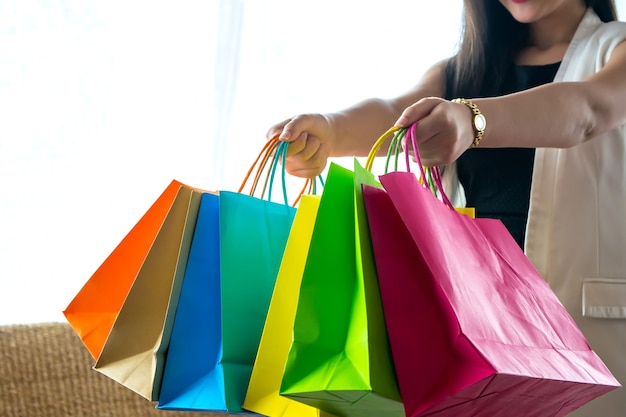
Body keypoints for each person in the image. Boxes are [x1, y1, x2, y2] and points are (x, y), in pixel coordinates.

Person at [267, 0, 626, 415]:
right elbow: (392, 114)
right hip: (485, 330)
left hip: (584, 333)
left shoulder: (615, 50)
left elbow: (586, 110)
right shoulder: (462, 71)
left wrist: (472, 121)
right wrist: (330, 131)